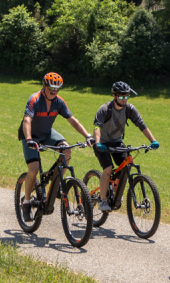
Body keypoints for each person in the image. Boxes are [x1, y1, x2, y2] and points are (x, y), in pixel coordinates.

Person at [17, 72, 94, 221]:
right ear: (44, 86)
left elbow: (72, 120)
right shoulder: (34, 99)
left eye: (57, 89)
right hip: (30, 136)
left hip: (47, 133)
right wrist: (29, 139)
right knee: (33, 170)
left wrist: (87, 136)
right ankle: (26, 202)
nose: (54, 91)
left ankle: (56, 181)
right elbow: (27, 120)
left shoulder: (59, 102)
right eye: (51, 88)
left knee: (67, 150)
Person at [92, 81, 159, 213]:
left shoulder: (130, 109)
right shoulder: (105, 109)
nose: (124, 100)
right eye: (121, 97)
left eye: (126, 97)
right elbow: (97, 127)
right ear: (114, 96)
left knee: (126, 165)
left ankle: (115, 190)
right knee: (108, 169)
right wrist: (98, 143)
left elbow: (141, 125)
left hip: (117, 142)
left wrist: (153, 140)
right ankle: (103, 200)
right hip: (102, 143)